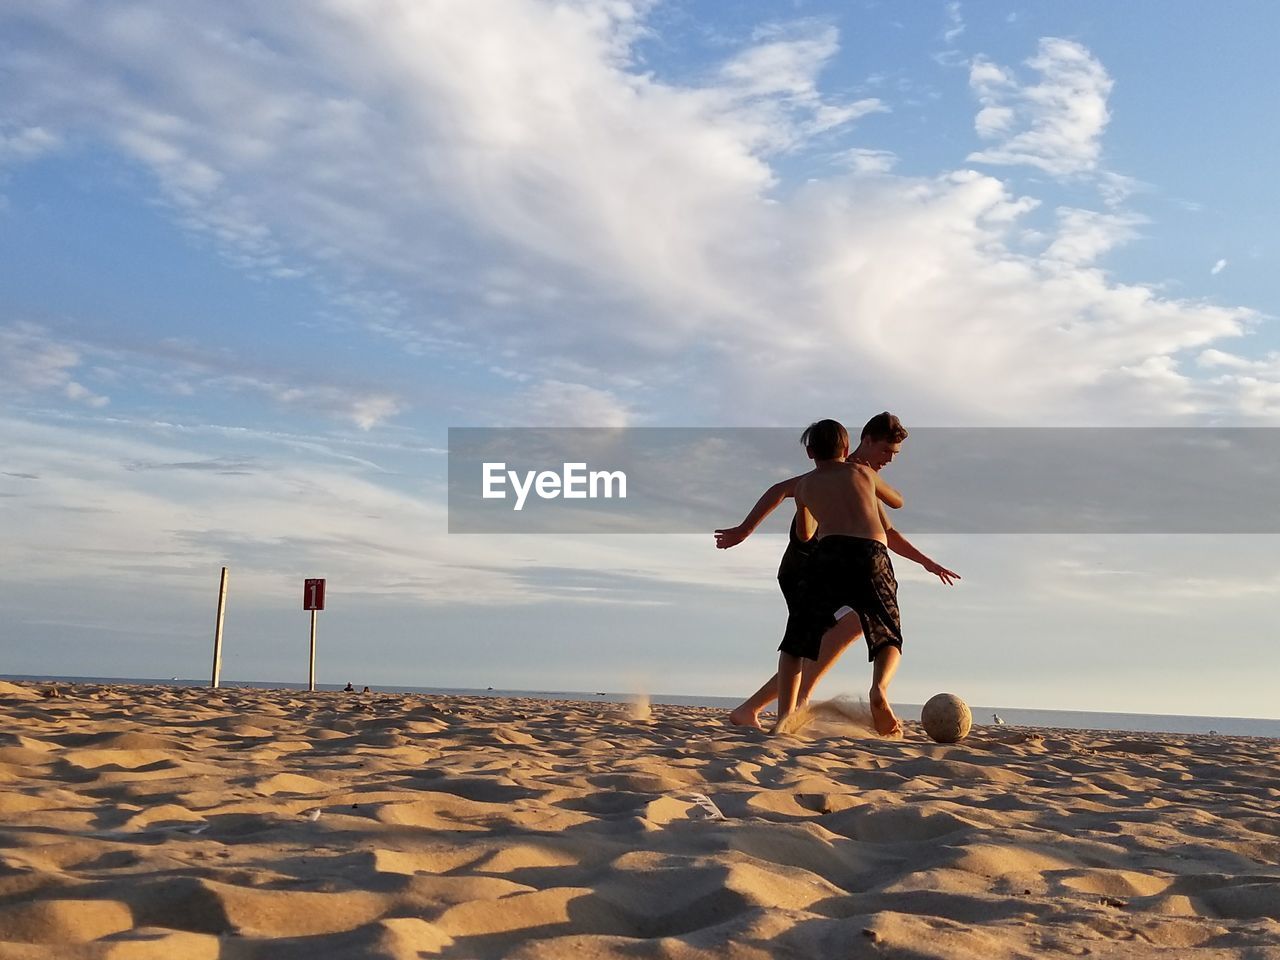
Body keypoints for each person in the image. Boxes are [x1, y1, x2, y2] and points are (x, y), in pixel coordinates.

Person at [716, 413, 958, 731]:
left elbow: (889, 532)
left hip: (828, 560)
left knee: (812, 639)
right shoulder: (858, 473)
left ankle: (777, 708)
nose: (890, 460)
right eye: (887, 451)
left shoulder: (832, 476)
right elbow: (789, 503)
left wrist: (926, 562)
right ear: (861, 442)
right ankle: (786, 706)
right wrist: (746, 530)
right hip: (806, 565)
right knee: (838, 632)